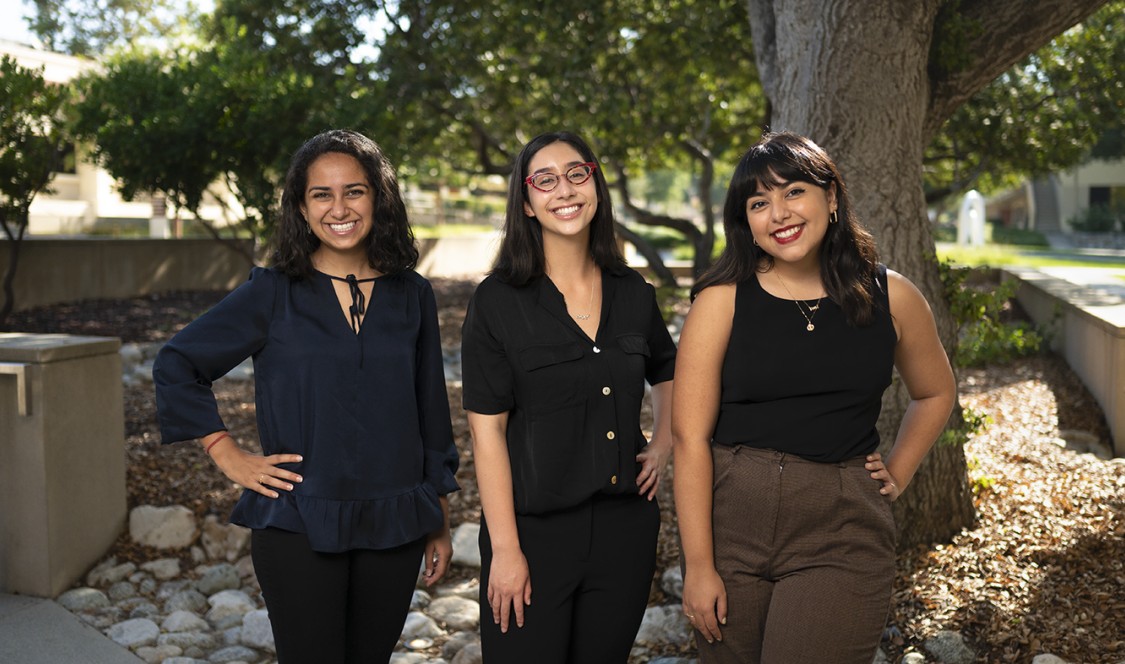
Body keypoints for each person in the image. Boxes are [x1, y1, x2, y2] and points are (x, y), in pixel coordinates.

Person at [153, 129, 459, 664]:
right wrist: (224, 450)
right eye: (322, 194)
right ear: (301, 205)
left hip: (396, 520)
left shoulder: (413, 295)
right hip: (298, 519)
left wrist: (438, 516)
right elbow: (178, 361)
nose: (339, 208)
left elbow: (431, 412)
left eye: (354, 191)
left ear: (378, 198)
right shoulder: (272, 292)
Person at [672, 131, 956, 663]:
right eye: (759, 203)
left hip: (840, 530)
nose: (778, 213)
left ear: (831, 198)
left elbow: (936, 391)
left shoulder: (892, 296)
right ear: (747, 223)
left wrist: (899, 468)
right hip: (731, 524)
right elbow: (689, 438)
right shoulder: (721, 300)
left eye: (792, 192)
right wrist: (700, 565)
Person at [460, 130, 677, 663]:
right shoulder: (497, 302)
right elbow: (486, 434)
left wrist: (665, 440)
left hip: (625, 531)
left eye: (577, 173)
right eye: (546, 180)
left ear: (595, 185)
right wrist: (506, 551)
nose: (565, 190)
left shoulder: (633, 292)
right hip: (533, 535)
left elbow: (670, 371)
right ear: (528, 202)